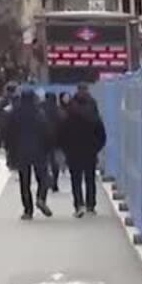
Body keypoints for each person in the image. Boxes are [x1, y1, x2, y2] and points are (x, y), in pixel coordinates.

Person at [2, 88, 55, 220]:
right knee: (43, 177)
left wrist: (9, 149)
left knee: (24, 181)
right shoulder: (39, 113)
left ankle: (28, 210)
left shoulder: (15, 114)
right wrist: (48, 148)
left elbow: (8, 132)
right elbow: (47, 132)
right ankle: (41, 197)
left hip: (21, 151)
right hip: (38, 151)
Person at [56, 87, 107, 218]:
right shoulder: (94, 116)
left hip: (73, 152)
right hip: (90, 151)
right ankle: (91, 205)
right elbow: (102, 135)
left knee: (76, 179)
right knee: (90, 179)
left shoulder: (69, 115)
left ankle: (79, 204)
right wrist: (96, 148)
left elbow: (62, 134)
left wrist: (66, 149)